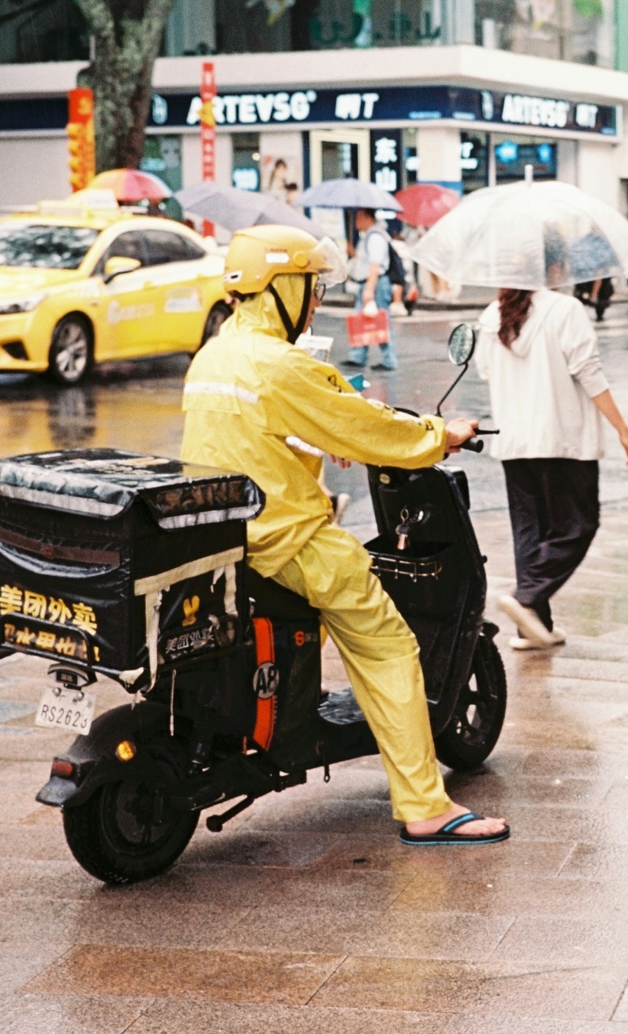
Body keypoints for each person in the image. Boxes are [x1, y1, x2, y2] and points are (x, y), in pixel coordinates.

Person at [180, 225, 508, 846]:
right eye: (311, 286)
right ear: (281, 288)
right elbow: (370, 427)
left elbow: (252, 431)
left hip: (229, 538)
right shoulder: (281, 364)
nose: (316, 300)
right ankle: (425, 807)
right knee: (389, 646)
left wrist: (313, 442)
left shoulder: (215, 355)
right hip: (291, 542)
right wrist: (443, 434)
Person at [477, 286, 628, 650]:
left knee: (530, 531)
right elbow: (589, 372)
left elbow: (487, 372)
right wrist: (622, 429)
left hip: (515, 440)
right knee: (577, 525)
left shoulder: (491, 316)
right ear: (552, 268)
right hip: (563, 439)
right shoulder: (565, 309)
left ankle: (533, 627)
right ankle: (529, 596)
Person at [346, 208, 398, 370]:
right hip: (368, 283)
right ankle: (358, 356)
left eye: (358, 217)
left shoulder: (375, 237)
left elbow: (375, 265)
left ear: (367, 217)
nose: (355, 221)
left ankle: (389, 359)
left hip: (375, 284)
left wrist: (369, 289)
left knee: (380, 320)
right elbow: (365, 262)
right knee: (361, 320)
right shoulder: (367, 237)